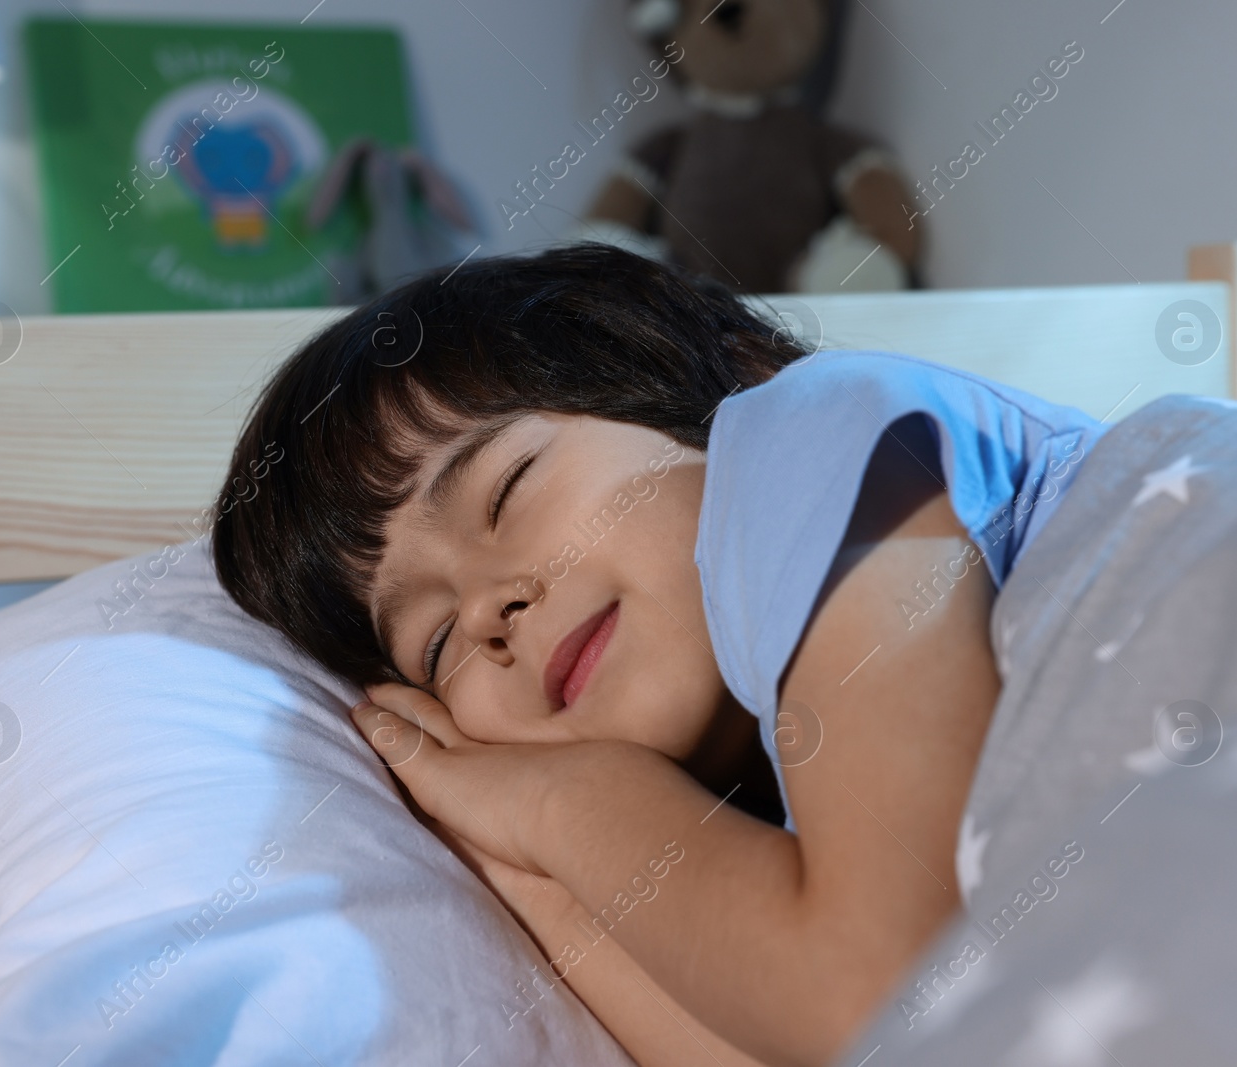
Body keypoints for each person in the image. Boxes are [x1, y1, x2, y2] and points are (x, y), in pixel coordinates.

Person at [211, 242, 1103, 1067]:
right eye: (437, 642)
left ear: (723, 384)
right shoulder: (778, 846)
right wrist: (507, 859)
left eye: (508, 488)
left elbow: (884, 995)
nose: (491, 606)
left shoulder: (813, 427)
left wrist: (565, 805)